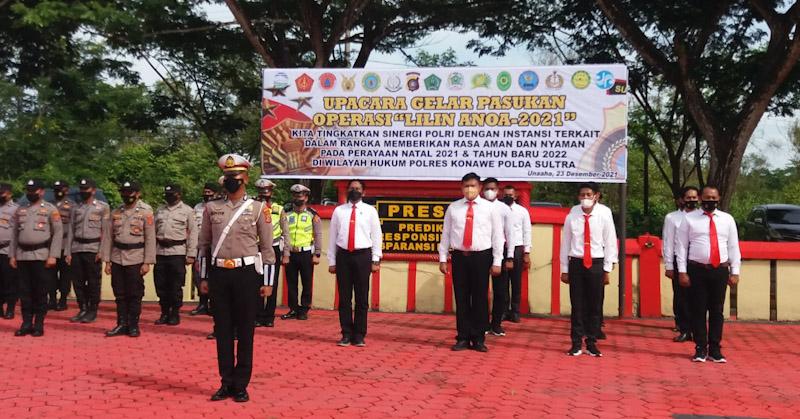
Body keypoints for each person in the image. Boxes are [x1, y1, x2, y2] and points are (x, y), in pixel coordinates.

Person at [198, 153, 276, 402]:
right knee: (222, 331)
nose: (232, 180)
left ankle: (241, 384)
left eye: (237, 177)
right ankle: (226, 382)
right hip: (219, 274)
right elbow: (204, 245)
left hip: (246, 275)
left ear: (246, 178)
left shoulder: (258, 208)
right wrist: (203, 277)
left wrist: (268, 282)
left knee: (244, 331)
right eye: (228, 176)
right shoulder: (212, 208)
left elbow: (267, 249)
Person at [438, 173, 504, 352]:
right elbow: (446, 234)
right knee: (461, 298)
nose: (470, 189)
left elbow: (498, 236)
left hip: (481, 256)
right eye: (466, 186)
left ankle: (479, 338)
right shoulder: (454, 208)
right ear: (461, 188)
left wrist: (497, 261)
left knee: (480, 298)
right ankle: (463, 337)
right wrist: (443, 258)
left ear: (480, 187)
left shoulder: (490, 209)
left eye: (473, 185)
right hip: (460, 256)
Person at [676, 186, 741, 363]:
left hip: (719, 270)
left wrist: (735, 271)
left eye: (713, 197)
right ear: (700, 198)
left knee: (717, 310)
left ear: (718, 198)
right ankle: (700, 348)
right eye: (706, 197)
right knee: (698, 310)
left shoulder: (727, 219)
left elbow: (733, 246)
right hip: (697, 270)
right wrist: (682, 271)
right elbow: (681, 246)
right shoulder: (689, 219)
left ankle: (715, 348)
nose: (710, 200)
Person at [560, 182, 618, 357]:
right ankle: (576, 343)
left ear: (596, 196)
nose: (585, 198)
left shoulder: (604, 213)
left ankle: (592, 342)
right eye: (582, 195)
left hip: (596, 262)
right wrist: (564, 268)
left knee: (595, 304)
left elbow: (610, 241)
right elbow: (566, 243)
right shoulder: (572, 215)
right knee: (577, 305)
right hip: (577, 263)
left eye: (588, 194)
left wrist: (607, 268)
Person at [328, 180, 382, 347]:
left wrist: (376, 259)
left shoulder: (370, 211)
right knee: (344, 298)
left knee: (361, 298)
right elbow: (332, 237)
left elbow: (376, 236)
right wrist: (332, 260)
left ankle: (359, 334)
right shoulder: (338, 211)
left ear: (363, 192)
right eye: (352, 188)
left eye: (358, 189)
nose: (354, 191)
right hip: (343, 256)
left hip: (363, 256)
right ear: (347, 191)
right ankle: (346, 333)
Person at [9, 179, 63, 336]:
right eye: (28, 190)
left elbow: (58, 232)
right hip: (22, 256)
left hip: (41, 255)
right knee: (24, 292)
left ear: (41, 192)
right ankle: (26, 323)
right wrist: (12, 255)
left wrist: (53, 255)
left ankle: (38, 323)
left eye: (34, 191)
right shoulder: (21, 210)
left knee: (40, 291)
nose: (30, 193)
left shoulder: (49, 209)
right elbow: (14, 234)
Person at [103, 181, 156, 338]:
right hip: (118, 256)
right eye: (124, 193)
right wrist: (107, 260)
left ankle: (133, 325)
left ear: (138, 194)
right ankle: (121, 324)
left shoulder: (146, 212)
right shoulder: (116, 212)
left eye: (130, 193)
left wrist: (147, 262)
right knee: (119, 293)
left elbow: (150, 238)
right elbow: (108, 238)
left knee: (134, 293)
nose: (127, 196)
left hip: (136, 257)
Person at [65, 178, 110, 323]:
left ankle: (92, 310)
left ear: (93, 190)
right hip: (77, 248)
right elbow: (71, 230)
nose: (84, 191)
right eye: (82, 189)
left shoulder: (102, 207)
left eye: (87, 189)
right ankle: (82, 308)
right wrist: (68, 252)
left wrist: (101, 251)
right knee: (78, 282)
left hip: (93, 248)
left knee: (93, 282)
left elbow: (106, 232)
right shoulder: (76, 208)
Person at [153, 184, 197, 326]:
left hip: (177, 251)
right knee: (160, 284)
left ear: (179, 194)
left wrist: (191, 253)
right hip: (160, 251)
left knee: (175, 284)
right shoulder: (160, 210)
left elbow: (193, 233)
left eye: (172, 193)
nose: (169, 196)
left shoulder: (187, 211)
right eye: (167, 193)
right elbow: (152, 232)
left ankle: (174, 313)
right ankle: (164, 312)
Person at [662, 186, 699, 343]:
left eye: (694, 197)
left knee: (698, 297)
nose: (691, 200)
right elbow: (668, 242)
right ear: (682, 199)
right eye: (688, 197)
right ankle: (684, 329)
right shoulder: (672, 218)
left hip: (697, 261)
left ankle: (698, 330)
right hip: (679, 260)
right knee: (682, 296)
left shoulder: (702, 217)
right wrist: (669, 265)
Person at [281, 184, 322, 321]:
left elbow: (318, 234)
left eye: (300, 196)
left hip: (306, 254)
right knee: (291, 283)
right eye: (295, 195)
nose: (298, 198)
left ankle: (304, 309)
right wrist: (285, 253)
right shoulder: (286, 213)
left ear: (306, 197)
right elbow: (283, 234)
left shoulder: (312, 214)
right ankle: (293, 308)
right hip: (290, 253)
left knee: (306, 282)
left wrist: (317, 253)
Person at [254, 176, 290, 327]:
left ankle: (269, 317)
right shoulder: (253, 208)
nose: (264, 196)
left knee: (271, 283)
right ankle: (257, 315)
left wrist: (286, 253)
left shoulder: (279, 209)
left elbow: (285, 232)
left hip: (273, 247)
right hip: (256, 248)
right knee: (256, 282)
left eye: (266, 193)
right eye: (261, 193)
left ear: (271, 193)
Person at [500, 185, 531, 327]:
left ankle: (516, 311)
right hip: (502, 247)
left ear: (515, 195)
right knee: (502, 281)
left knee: (516, 281)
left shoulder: (522, 211)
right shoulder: (498, 209)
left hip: (518, 248)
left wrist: (527, 252)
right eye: (506, 194)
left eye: (511, 195)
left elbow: (527, 232)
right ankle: (503, 310)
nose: (508, 197)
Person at [191, 182, 219, 316]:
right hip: (200, 247)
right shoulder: (197, 207)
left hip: (214, 248)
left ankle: (214, 304)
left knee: (213, 276)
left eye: (210, 192)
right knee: (199, 275)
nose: (207, 195)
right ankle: (202, 303)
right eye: (205, 192)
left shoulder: (219, 206)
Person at [49, 180, 74, 311]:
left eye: (61, 189)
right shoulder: (48, 205)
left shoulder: (72, 206)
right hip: (51, 246)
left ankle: (63, 300)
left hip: (65, 245)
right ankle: (52, 299)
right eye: (56, 189)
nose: (58, 191)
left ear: (67, 190)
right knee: (50, 275)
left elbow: (73, 228)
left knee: (65, 275)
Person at [0, 183, 19, 320]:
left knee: (9, 281)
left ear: (9, 193)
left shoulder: (15, 209)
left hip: (7, 250)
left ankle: (11, 308)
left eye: (3, 193)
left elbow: (17, 232)